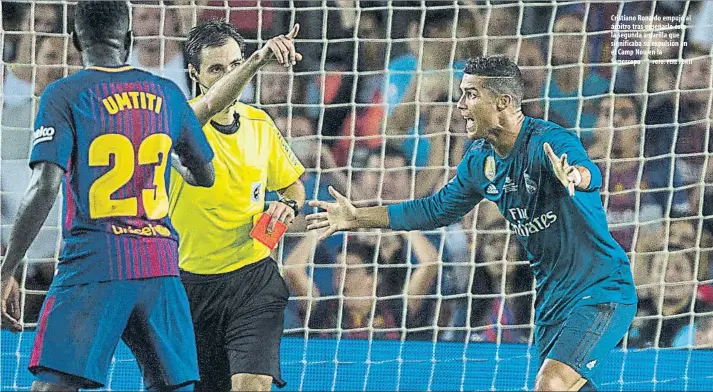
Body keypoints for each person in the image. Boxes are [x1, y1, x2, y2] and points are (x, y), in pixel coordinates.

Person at [306, 56, 638, 391]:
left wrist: (574, 175)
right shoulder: (480, 160)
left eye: (470, 95)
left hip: (602, 289)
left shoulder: (548, 141)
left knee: (550, 384)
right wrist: (358, 216)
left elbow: (589, 173)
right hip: (553, 298)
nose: (461, 105)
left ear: (503, 102)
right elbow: (435, 209)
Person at [0, 2, 216, 391]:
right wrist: (169, 160)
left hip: (95, 264)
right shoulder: (167, 93)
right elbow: (206, 175)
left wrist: (8, 267)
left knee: (53, 387)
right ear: (130, 39)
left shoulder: (64, 94)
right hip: (159, 267)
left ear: (76, 40)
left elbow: (45, 185)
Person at [168, 20, 305, 392]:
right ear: (194, 74)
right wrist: (258, 60)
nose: (231, 76)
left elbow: (293, 186)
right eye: (216, 69)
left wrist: (286, 208)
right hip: (192, 285)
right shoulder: (179, 120)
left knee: (251, 385)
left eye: (235, 64)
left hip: (253, 281)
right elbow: (209, 106)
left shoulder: (259, 123)